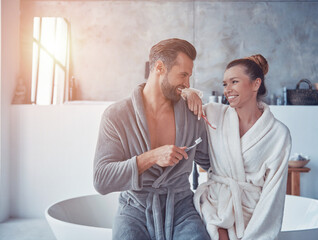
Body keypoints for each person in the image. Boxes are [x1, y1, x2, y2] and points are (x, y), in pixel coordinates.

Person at [93, 38, 211, 240]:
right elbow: (102, 180)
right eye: (183, 75)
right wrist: (152, 157)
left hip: (182, 209)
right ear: (159, 67)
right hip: (134, 209)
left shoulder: (192, 114)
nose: (187, 84)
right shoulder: (117, 115)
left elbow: (213, 163)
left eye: (189, 76)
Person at [182, 54, 292, 240]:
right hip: (214, 203)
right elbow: (173, 101)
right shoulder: (214, 114)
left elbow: (273, 195)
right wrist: (190, 93)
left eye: (234, 82)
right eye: (225, 84)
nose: (227, 90)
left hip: (252, 212)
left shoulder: (278, 134)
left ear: (256, 84)